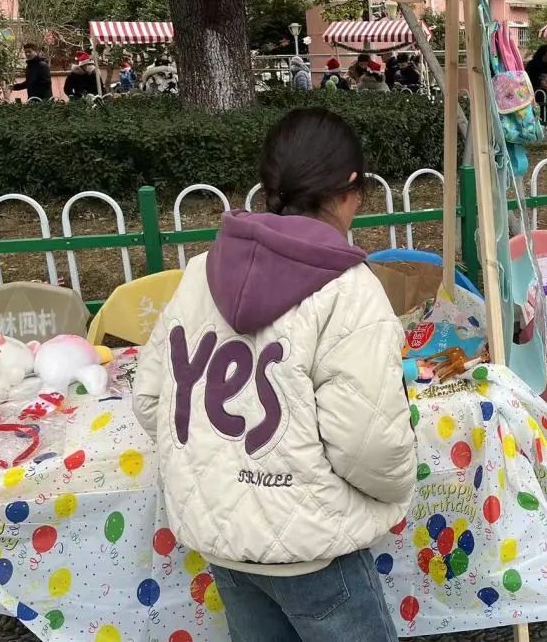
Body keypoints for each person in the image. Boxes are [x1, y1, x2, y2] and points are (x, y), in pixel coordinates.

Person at [134, 108, 415, 642]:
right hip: (314, 551)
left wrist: (222, 471)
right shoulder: (350, 290)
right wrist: (398, 487)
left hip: (224, 543)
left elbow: (152, 400)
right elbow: (370, 445)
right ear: (351, 187)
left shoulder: (199, 272)